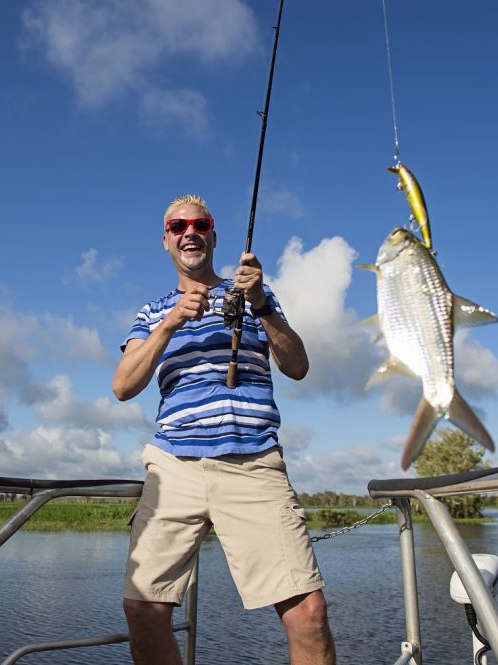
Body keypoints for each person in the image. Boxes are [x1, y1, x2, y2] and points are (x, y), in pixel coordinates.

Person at [112, 194, 336, 665]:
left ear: (213, 235)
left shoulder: (257, 299)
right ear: (166, 241)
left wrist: (261, 304)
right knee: (143, 609)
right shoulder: (152, 312)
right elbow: (123, 385)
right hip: (173, 466)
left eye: (200, 223)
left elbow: (297, 366)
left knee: (308, 612)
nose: (188, 231)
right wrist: (171, 323)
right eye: (177, 226)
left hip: (254, 461)